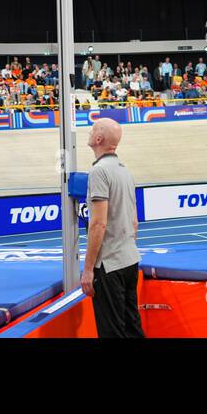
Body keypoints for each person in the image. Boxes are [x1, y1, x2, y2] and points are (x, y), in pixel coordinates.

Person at [81, 117, 143, 338]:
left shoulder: (99, 172)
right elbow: (134, 222)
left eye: (93, 129)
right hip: (129, 259)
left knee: (112, 332)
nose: (90, 131)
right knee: (132, 326)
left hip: (109, 265)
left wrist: (88, 269)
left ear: (99, 138)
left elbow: (98, 223)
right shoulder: (125, 170)